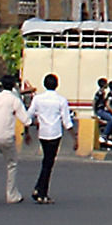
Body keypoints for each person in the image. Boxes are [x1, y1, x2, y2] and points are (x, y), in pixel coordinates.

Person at [29, 73, 73, 205]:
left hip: (43, 133)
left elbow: (29, 115)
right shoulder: (61, 100)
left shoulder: (38, 99)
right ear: (57, 85)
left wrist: (28, 131)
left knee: (46, 162)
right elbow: (67, 122)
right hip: (55, 133)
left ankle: (38, 188)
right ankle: (42, 193)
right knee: (48, 164)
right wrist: (75, 137)